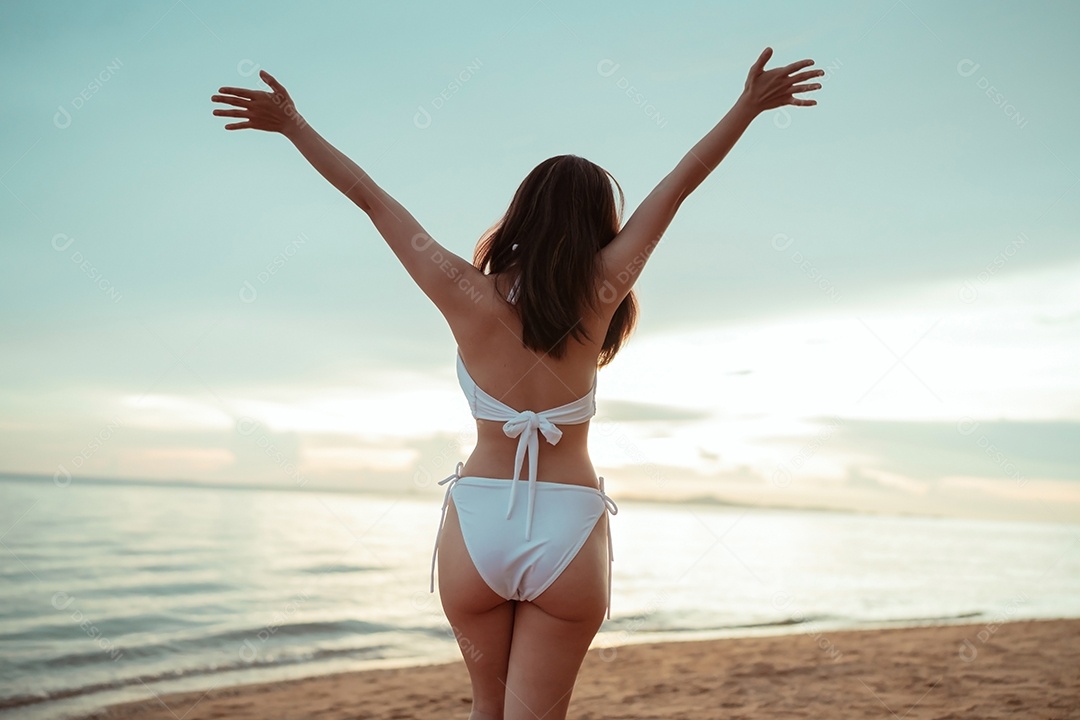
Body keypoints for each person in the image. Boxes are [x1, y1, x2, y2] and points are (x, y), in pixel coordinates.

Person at [212, 45, 821, 720]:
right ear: (599, 225)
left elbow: (370, 199)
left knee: (486, 711)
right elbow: (679, 184)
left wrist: (294, 124)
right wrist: (747, 107)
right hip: (566, 524)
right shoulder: (603, 291)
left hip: (478, 527)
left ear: (521, 213)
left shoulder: (462, 292)